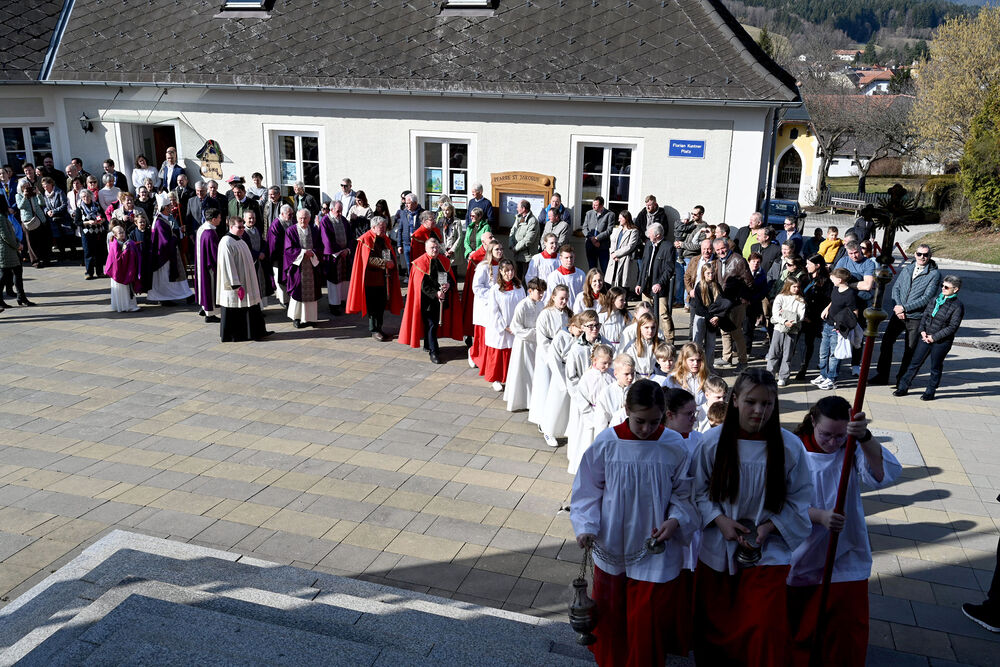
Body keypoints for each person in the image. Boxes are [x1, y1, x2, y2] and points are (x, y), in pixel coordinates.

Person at [571, 379, 697, 666]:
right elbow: (588, 489)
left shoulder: (673, 444)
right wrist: (586, 527)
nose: (646, 429)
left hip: (655, 546)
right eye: (640, 421)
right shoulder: (608, 442)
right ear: (627, 409)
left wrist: (676, 520)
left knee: (647, 620)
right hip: (612, 542)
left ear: (664, 415)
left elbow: (684, 492)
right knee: (612, 616)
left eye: (654, 421)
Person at [692, 368, 813, 666]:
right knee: (716, 626)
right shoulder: (712, 442)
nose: (759, 410)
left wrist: (771, 526)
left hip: (768, 550)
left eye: (767, 403)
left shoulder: (789, 446)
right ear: (735, 400)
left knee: (763, 626)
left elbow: (801, 498)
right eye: (751, 402)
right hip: (719, 546)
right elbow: (696, 491)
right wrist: (719, 520)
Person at [787, 396, 900, 667]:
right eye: (826, 434)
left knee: (846, 633)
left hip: (845, 551)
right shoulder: (793, 450)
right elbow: (779, 503)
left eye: (840, 436)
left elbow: (882, 474)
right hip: (802, 553)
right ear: (813, 421)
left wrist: (864, 437)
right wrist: (818, 516)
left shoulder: (851, 448)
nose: (833, 442)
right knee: (802, 629)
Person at [872, 243, 942, 387]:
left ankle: (902, 381)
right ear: (915, 254)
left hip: (916, 318)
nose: (922, 257)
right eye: (919, 254)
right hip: (898, 314)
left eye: (925, 255)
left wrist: (904, 308)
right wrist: (898, 308)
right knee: (886, 342)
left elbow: (927, 298)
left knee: (909, 350)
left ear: (930, 256)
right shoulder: (908, 268)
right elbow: (896, 288)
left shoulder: (934, 274)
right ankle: (882, 375)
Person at [893, 275, 965, 401]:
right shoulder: (935, 299)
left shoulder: (957, 306)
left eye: (946, 287)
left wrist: (934, 337)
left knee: (935, 367)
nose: (943, 288)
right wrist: (922, 331)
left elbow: (952, 327)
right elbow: (925, 316)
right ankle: (903, 387)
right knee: (914, 363)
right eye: (942, 286)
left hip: (941, 342)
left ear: (955, 289)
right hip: (925, 337)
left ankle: (930, 391)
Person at [398, 237, 461, 364]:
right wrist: (436, 293)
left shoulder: (443, 260)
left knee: (432, 325)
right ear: (426, 249)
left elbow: (449, 278)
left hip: (440, 300)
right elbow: (422, 285)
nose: (435, 250)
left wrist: (448, 285)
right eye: (432, 247)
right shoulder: (419, 263)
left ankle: (428, 345)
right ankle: (433, 351)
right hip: (426, 301)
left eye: (437, 247)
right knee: (431, 324)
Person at [346, 216, 404, 341]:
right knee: (373, 306)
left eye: (384, 227)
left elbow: (389, 253)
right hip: (371, 280)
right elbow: (368, 260)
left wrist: (392, 262)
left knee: (381, 304)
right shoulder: (365, 239)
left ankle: (379, 328)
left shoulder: (383, 238)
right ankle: (374, 330)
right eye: (381, 227)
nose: (384, 230)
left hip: (384, 278)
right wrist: (385, 263)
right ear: (373, 227)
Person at [527, 284, 571, 436]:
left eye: (566, 299)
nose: (564, 301)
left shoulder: (568, 314)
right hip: (546, 356)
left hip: (562, 356)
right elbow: (542, 339)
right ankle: (541, 420)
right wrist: (552, 357)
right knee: (544, 387)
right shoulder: (545, 314)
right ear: (553, 297)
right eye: (561, 298)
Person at [217, 216, 269, 342]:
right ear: (231, 227)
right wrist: (235, 284)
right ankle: (235, 335)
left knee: (251, 307)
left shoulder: (240, 240)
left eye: (243, 227)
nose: (242, 230)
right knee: (235, 308)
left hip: (248, 281)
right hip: (236, 283)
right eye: (239, 227)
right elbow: (227, 264)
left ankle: (254, 332)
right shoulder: (226, 242)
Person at [566, 343, 615, 474]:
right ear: (595, 360)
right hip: (592, 414)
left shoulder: (611, 375)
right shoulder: (588, 377)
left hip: (607, 415)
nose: (607, 366)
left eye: (609, 363)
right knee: (588, 442)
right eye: (604, 363)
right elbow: (581, 398)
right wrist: (590, 415)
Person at [481, 259, 526, 391]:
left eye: (511, 270)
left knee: (513, 353)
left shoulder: (519, 287)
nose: (509, 273)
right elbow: (494, 311)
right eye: (506, 271)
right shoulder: (495, 289)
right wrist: (505, 327)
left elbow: (523, 306)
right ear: (500, 271)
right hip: (500, 328)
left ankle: (511, 378)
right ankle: (496, 379)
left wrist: (518, 324)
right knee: (498, 354)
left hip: (515, 326)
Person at [504, 277, 546, 412]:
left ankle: (534, 400)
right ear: (530, 291)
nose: (541, 294)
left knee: (535, 372)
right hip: (524, 345)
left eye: (543, 291)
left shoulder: (541, 305)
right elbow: (516, 328)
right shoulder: (522, 306)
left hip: (537, 345)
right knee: (523, 373)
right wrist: (535, 333)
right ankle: (521, 401)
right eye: (539, 291)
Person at [815, 268, 858, 390]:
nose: (831, 279)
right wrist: (826, 309)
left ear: (839, 280)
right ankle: (823, 375)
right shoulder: (835, 288)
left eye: (833, 278)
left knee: (834, 355)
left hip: (837, 329)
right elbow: (833, 301)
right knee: (823, 352)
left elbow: (854, 313)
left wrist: (842, 327)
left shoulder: (850, 294)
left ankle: (832, 379)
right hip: (827, 324)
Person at [714, 237, 753, 370]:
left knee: (736, 332)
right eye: (718, 250)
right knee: (724, 330)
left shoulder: (738, 260)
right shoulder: (718, 261)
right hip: (724, 302)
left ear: (728, 247)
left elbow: (749, 282)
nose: (721, 251)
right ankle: (726, 357)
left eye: (723, 248)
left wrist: (742, 298)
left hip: (736, 303)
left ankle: (743, 361)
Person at [283, 209, 324, 328]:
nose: (303, 220)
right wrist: (303, 252)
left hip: (312, 266)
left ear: (309, 218)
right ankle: (296, 318)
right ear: (297, 218)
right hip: (298, 268)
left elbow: (320, 246)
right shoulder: (291, 231)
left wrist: (313, 253)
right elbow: (288, 249)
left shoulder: (314, 231)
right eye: (300, 218)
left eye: (305, 218)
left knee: (312, 292)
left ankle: (311, 318)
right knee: (297, 292)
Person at [635, 222, 675, 342]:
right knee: (645, 314)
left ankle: (669, 340)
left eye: (650, 233)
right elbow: (644, 265)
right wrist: (639, 283)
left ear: (658, 235)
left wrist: (660, 283)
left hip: (660, 289)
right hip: (646, 287)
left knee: (664, 315)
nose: (648, 235)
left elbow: (669, 269)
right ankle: (645, 337)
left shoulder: (668, 247)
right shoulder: (648, 244)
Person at [148, 204, 195, 305]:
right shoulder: (159, 222)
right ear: (165, 208)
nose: (171, 208)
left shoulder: (163, 219)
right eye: (169, 207)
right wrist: (174, 238)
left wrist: (178, 231)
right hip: (165, 256)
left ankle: (187, 295)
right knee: (167, 277)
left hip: (170, 252)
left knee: (179, 276)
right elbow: (164, 240)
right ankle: (166, 298)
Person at [690, 263, 732, 372]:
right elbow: (699, 307)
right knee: (697, 345)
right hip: (701, 317)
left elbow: (722, 303)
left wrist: (717, 317)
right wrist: (710, 317)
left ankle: (709, 368)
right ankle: (696, 368)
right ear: (703, 274)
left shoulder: (716, 286)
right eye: (708, 273)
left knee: (711, 345)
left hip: (713, 319)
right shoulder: (699, 286)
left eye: (712, 273)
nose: (711, 275)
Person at [797, 254, 832, 382]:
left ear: (817, 266)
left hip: (814, 317)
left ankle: (803, 368)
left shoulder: (826, 282)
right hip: (800, 314)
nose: (806, 266)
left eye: (809, 264)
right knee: (794, 341)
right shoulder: (803, 278)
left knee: (809, 342)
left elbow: (830, 299)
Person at [469, 241, 504, 369]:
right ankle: (475, 355)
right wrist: (493, 295)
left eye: (501, 249)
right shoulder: (483, 267)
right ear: (490, 251)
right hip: (485, 305)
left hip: (499, 305)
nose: (500, 252)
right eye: (497, 249)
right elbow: (476, 287)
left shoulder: (504, 265)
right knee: (483, 335)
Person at [766, 277, 806, 386]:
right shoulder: (780, 297)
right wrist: (785, 321)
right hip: (779, 328)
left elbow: (801, 316)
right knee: (774, 352)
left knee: (788, 354)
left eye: (798, 287)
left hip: (793, 329)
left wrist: (785, 314)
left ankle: (783, 376)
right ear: (788, 286)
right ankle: (770, 375)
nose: (796, 289)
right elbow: (775, 313)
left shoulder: (800, 300)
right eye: (794, 287)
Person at [318, 200, 355, 316]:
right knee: (334, 282)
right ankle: (334, 305)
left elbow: (350, 236)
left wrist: (348, 249)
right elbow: (326, 240)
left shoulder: (343, 220)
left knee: (345, 279)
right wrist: (339, 251)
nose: (340, 213)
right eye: (338, 211)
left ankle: (343, 300)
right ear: (331, 209)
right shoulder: (325, 221)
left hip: (345, 255)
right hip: (333, 256)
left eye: (341, 211)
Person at [460, 230, 495, 346]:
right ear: (483, 242)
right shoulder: (476, 257)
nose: (493, 238)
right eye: (490, 237)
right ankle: (470, 334)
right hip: (480, 293)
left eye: (493, 236)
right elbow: (472, 282)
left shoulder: (496, 253)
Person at [0, 197, 32, 310]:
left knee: (17, 272)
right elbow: (6, 236)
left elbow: (11, 233)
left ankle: (21, 297)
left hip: (11, 250)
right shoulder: (1, 217)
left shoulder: (3, 216)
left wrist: (17, 243)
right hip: (6, 251)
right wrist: (17, 245)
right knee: (4, 276)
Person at [241, 209, 273, 308]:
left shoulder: (257, 229)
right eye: (249, 218)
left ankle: (260, 307)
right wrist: (257, 254)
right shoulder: (243, 232)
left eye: (253, 218)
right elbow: (245, 248)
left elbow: (263, 242)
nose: (252, 220)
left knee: (261, 283)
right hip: (251, 262)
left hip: (260, 262)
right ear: (244, 219)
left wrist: (263, 252)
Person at [195, 208, 223, 322]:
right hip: (210, 267)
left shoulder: (202, 229)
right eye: (219, 218)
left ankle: (204, 307)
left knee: (205, 288)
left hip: (202, 264)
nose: (221, 220)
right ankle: (210, 314)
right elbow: (215, 253)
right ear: (213, 219)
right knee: (211, 289)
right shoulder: (210, 233)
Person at [105, 225, 141, 312]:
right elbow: (117, 259)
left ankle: (127, 305)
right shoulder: (114, 243)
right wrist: (126, 250)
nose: (122, 234)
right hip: (118, 272)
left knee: (127, 288)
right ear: (115, 235)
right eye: (120, 233)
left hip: (123, 269)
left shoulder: (123, 241)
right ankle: (125, 306)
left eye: (123, 232)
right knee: (122, 289)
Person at [595, 353, 635, 431]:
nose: (630, 377)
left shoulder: (636, 390)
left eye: (632, 373)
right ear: (616, 374)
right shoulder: (606, 393)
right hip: (613, 431)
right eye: (626, 374)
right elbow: (601, 421)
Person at [16, 180, 50, 268]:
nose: (27, 188)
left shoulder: (34, 194)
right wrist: (24, 196)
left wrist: (38, 193)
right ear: (21, 188)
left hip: (39, 219)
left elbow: (42, 203)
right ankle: (35, 261)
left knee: (43, 240)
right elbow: (20, 206)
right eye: (24, 186)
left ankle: (45, 259)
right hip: (29, 221)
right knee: (31, 242)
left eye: (28, 185)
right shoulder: (18, 195)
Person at [74, 188, 107, 279]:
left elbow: (103, 217)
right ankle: (89, 273)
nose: (86, 198)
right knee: (88, 253)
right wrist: (88, 222)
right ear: (81, 198)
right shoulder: (79, 208)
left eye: (88, 196)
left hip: (98, 232)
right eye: (84, 197)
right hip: (87, 233)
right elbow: (77, 222)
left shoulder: (97, 205)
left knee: (99, 253)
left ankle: (100, 272)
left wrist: (101, 221)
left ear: (91, 197)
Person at [267, 204, 296, 306]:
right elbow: (273, 243)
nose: (291, 216)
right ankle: (284, 301)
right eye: (289, 214)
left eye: (292, 214)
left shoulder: (292, 222)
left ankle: (291, 298)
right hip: (279, 257)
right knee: (280, 280)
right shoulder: (276, 225)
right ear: (282, 214)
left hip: (290, 256)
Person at [606, 210, 641, 294]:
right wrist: (612, 253)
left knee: (623, 282)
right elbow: (612, 242)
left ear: (626, 218)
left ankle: (624, 299)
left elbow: (630, 246)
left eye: (621, 218)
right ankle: (613, 298)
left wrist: (616, 254)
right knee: (611, 280)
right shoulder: (618, 229)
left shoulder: (634, 231)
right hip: (614, 259)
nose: (619, 220)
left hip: (625, 259)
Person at [392, 193, 424, 282]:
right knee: (409, 265)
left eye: (408, 203)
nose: (406, 205)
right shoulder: (404, 213)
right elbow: (400, 229)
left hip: (419, 244)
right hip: (406, 244)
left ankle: (419, 283)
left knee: (419, 265)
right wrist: (399, 245)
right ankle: (411, 284)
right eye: (406, 203)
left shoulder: (423, 213)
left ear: (415, 203)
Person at [40, 177, 72, 259]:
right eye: (43, 186)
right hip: (52, 219)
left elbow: (64, 204)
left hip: (62, 217)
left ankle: (72, 253)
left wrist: (54, 211)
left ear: (51, 184)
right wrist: (47, 211)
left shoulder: (59, 192)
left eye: (46, 185)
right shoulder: (45, 194)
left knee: (67, 236)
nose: (45, 187)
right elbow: (44, 206)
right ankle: (62, 254)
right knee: (57, 237)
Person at [621, 312, 659, 379]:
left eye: (653, 327)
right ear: (640, 328)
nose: (650, 331)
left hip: (656, 378)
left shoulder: (660, 344)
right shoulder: (632, 346)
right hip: (637, 379)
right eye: (646, 327)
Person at [582, 196, 615, 272]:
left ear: (601, 205)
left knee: (605, 269)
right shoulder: (589, 213)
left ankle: (604, 281)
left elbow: (609, 230)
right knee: (592, 270)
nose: (593, 206)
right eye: (593, 204)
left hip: (603, 246)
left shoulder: (610, 214)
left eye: (596, 205)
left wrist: (597, 238)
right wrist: (592, 239)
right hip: (590, 245)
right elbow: (584, 228)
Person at [508, 199, 539, 279]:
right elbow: (512, 231)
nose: (516, 209)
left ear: (523, 209)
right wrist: (511, 244)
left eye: (518, 207)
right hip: (517, 255)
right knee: (517, 279)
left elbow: (528, 240)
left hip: (527, 257)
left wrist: (515, 248)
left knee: (527, 279)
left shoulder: (532, 221)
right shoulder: (518, 217)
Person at [438, 202, 463, 271]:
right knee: (443, 272)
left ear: (451, 210)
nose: (445, 212)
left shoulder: (457, 221)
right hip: (443, 250)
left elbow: (460, 237)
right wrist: (443, 250)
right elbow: (439, 237)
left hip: (452, 250)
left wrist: (452, 250)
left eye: (447, 210)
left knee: (453, 272)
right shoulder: (441, 221)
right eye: (443, 210)